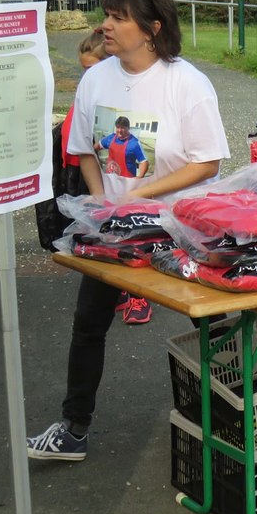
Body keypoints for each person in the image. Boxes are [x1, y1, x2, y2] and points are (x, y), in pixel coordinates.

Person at [26, 0, 231, 462]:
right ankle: (73, 429)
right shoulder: (96, 79)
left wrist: (139, 195)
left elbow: (208, 162)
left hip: (177, 229)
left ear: (152, 28)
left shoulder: (187, 84)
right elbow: (83, 153)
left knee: (212, 325)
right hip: (114, 230)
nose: (107, 25)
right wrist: (103, 206)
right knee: (88, 322)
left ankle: (226, 426)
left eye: (119, 17)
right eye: (108, 14)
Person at [64, 30, 154, 325]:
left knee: (140, 264)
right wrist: (99, 194)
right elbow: (91, 147)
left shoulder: (135, 136)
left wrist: (140, 187)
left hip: (143, 210)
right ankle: (119, 295)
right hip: (110, 207)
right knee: (89, 318)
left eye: (90, 69)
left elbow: (143, 162)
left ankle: (138, 298)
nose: (85, 75)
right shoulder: (99, 108)